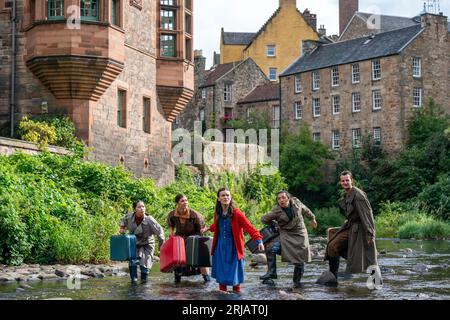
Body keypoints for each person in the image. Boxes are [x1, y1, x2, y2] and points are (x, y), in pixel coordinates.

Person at [201, 187, 264, 293]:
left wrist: (259, 240)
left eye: (227, 195)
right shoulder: (218, 213)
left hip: (234, 247)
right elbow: (217, 225)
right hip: (220, 247)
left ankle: (237, 295)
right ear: (218, 198)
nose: (225, 197)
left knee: (235, 273)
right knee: (222, 273)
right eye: (223, 195)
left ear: (230, 198)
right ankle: (222, 294)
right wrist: (208, 228)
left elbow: (249, 227)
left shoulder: (237, 213)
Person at [325, 171, 378, 280]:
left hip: (360, 229)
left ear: (351, 181)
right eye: (343, 181)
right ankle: (333, 277)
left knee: (369, 257)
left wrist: (370, 233)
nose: (345, 182)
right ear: (340, 182)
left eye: (347, 180)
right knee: (332, 245)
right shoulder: (347, 194)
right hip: (350, 226)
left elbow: (367, 214)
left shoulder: (358, 195)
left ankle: (376, 282)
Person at [260, 190, 317, 288]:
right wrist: (275, 224)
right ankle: (272, 272)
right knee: (270, 247)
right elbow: (264, 219)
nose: (281, 200)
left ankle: (296, 283)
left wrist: (312, 219)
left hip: (300, 233)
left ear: (288, 198)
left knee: (300, 260)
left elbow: (307, 211)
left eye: (283, 197)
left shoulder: (297, 203)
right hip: (286, 234)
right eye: (279, 198)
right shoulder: (276, 210)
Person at [167, 194, 211, 284]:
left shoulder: (194, 215)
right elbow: (170, 224)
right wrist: (171, 233)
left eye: (186, 200)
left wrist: (193, 240)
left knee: (201, 259)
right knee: (178, 259)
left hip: (195, 238)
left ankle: (207, 280)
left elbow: (201, 230)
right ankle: (177, 280)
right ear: (177, 203)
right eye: (182, 201)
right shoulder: (172, 214)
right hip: (179, 238)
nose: (185, 202)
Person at [119, 200, 165, 284]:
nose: (142, 209)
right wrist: (122, 228)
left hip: (147, 243)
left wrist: (161, 247)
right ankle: (133, 282)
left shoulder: (149, 220)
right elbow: (124, 220)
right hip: (134, 242)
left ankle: (144, 284)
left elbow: (160, 231)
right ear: (134, 209)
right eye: (139, 207)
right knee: (132, 261)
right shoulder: (129, 217)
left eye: (143, 206)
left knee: (145, 265)